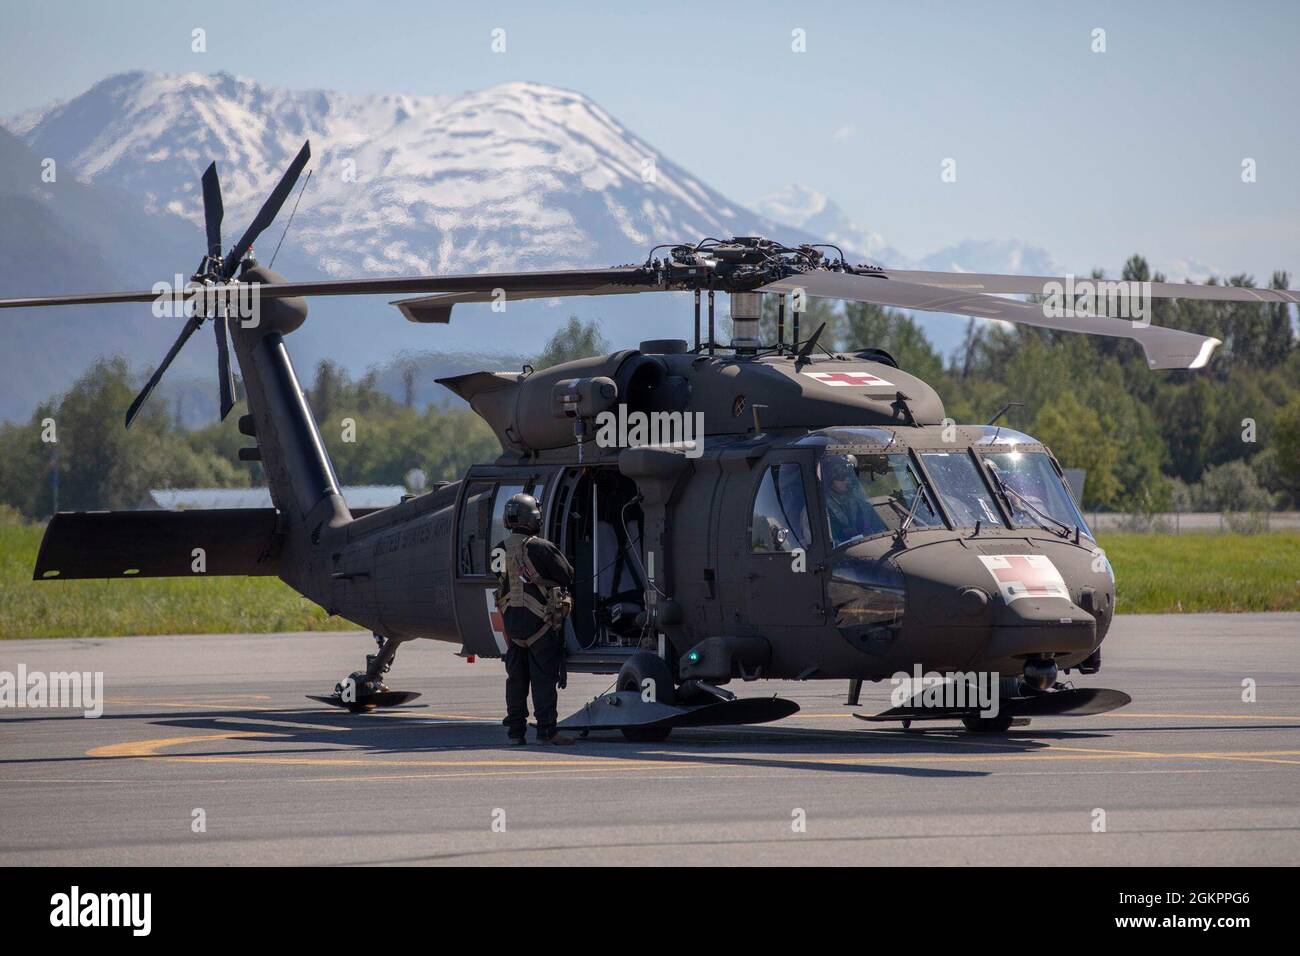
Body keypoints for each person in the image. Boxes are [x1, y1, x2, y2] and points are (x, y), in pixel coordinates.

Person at [494, 493, 576, 745]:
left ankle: (515, 733)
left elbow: (500, 581)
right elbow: (567, 575)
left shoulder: (498, 550)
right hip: (541, 625)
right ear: (534, 518)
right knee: (543, 680)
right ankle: (546, 731)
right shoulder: (541, 547)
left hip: (513, 627)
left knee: (516, 681)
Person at [822, 455, 881, 545]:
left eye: (849, 475)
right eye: (840, 476)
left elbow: (876, 527)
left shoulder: (859, 501)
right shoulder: (819, 508)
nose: (847, 480)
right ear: (829, 478)